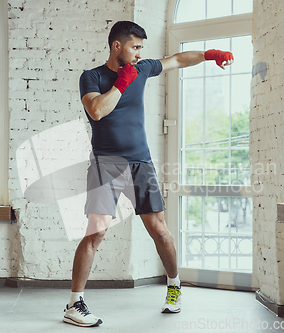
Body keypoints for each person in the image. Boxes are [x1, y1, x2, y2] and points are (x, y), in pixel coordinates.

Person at [63, 20, 234, 327]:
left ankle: (174, 286)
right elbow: (98, 111)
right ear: (118, 46)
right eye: (135, 47)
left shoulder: (141, 69)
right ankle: (74, 303)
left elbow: (178, 59)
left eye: (142, 47)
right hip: (106, 164)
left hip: (141, 161)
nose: (140, 53)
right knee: (95, 233)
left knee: (159, 230)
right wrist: (121, 83)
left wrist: (210, 54)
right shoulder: (92, 77)